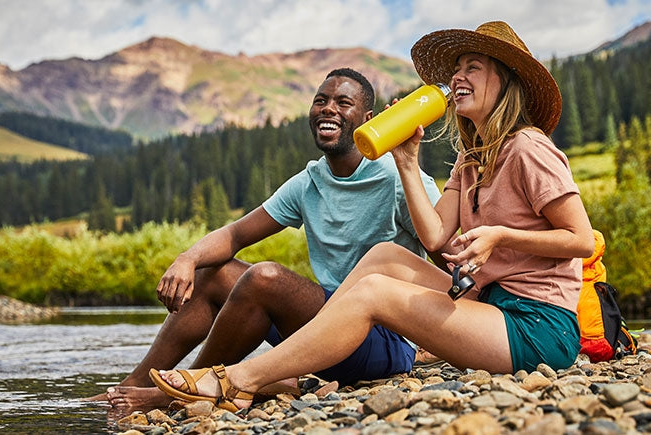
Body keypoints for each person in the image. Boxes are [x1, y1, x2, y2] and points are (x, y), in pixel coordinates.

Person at [148, 20, 595, 413]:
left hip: (536, 327)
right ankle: (309, 359)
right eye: (456, 68)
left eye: (472, 67)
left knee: (375, 293)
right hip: (491, 303)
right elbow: (436, 236)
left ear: (506, 81)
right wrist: (406, 161)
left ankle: (237, 380)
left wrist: (500, 235)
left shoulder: (529, 148)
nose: (457, 77)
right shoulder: (470, 160)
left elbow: (580, 239)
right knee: (385, 256)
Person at [94, 67, 442, 410]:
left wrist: (448, 337)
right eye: (320, 100)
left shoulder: (401, 178)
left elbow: (445, 253)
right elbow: (234, 234)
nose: (328, 108)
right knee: (213, 271)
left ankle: (184, 389)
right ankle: (133, 384)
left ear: (368, 118)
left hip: (383, 339)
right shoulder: (308, 182)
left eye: (342, 102)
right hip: (320, 332)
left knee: (265, 278)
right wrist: (187, 258)